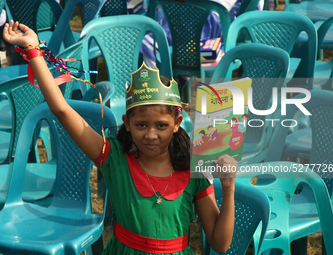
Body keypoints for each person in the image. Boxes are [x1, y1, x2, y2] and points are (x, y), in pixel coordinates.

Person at [3, 20, 237, 255]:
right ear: (127, 123)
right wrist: (33, 49)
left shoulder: (192, 170)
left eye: (162, 125)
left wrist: (228, 189)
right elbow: (61, 110)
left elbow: (220, 243)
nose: (151, 134)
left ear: (177, 124)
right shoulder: (113, 157)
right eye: (141, 125)